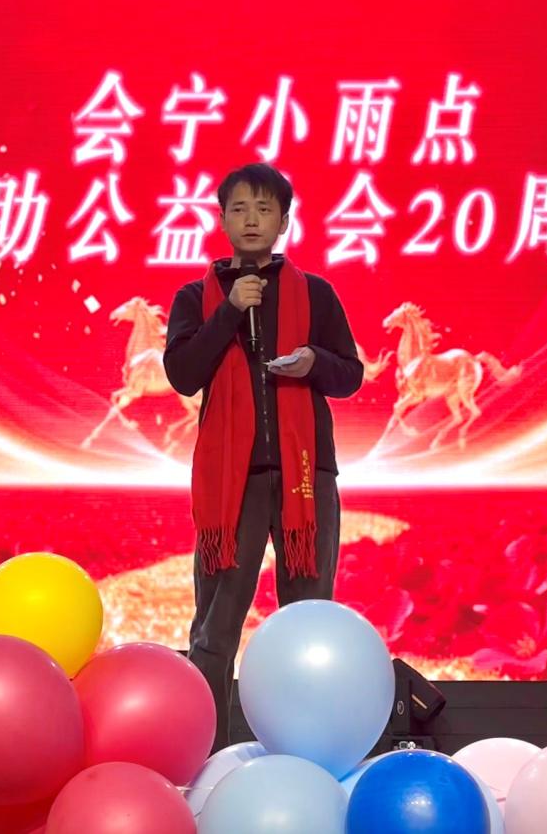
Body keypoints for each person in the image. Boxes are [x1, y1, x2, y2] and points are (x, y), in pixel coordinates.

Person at [163, 162, 364, 753]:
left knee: (309, 625)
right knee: (215, 628)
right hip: (233, 485)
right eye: (239, 209)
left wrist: (313, 364)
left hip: (306, 478)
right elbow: (183, 374)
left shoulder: (316, 293)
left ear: (283, 221)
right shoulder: (195, 298)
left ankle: (310, 753)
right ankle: (206, 758)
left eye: (264, 209)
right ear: (222, 219)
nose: (251, 220)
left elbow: (350, 374)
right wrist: (230, 310)